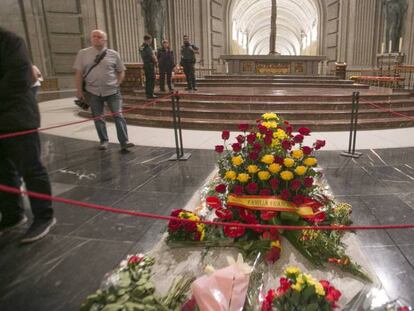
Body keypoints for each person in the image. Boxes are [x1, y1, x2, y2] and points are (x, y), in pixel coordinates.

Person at [0, 27, 55, 243]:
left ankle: (44, 216)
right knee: (3, 172)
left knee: (31, 169)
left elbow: (18, 78)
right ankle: (13, 215)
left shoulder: (10, 40)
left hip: (18, 117)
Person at [74, 29, 134, 151]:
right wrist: (79, 90)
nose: (96, 38)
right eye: (94, 36)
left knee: (118, 115)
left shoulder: (113, 54)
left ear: (105, 40)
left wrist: (118, 82)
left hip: (113, 91)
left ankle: (124, 142)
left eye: (99, 37)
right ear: (91, 39)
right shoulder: (83, 54)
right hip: (93, 91)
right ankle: (104, 141)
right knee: (98, 117)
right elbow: (79, 73)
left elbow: (121, 70)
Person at [139, 34, 158, 99]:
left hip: (145, 64)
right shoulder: (148, 47)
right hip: (150, 65)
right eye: (150, 40)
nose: (151, 42)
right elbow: (152, 56)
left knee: (147, 80)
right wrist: (156, 62)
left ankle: (147, 93)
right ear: (148, 40)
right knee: (152, 79)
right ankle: (151, 94)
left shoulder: (141, 47)